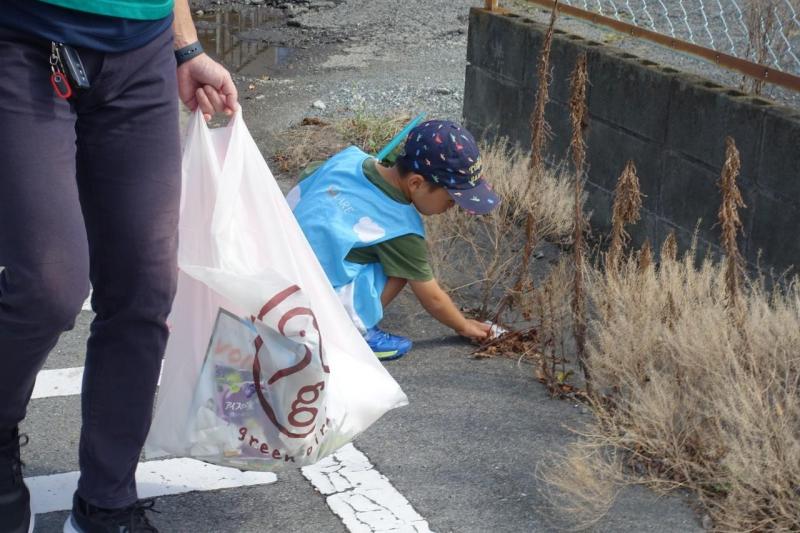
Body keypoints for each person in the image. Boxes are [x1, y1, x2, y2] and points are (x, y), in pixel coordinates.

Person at [0, 1, 237, 532]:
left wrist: (186, 44)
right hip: (20, 39)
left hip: (141, 49)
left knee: (145, 288)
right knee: (49, 286)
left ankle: (106, 502)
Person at [289, 120, 498, 361]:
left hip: (277, 267)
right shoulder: (401, 228)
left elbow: (307, 175)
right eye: (451, 200)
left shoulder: (348, 160)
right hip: (315, 308)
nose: (452, 208)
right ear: (416, 183)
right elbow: (432, 297)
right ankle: (355, 331)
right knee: (401, 268)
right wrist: (464, 325)